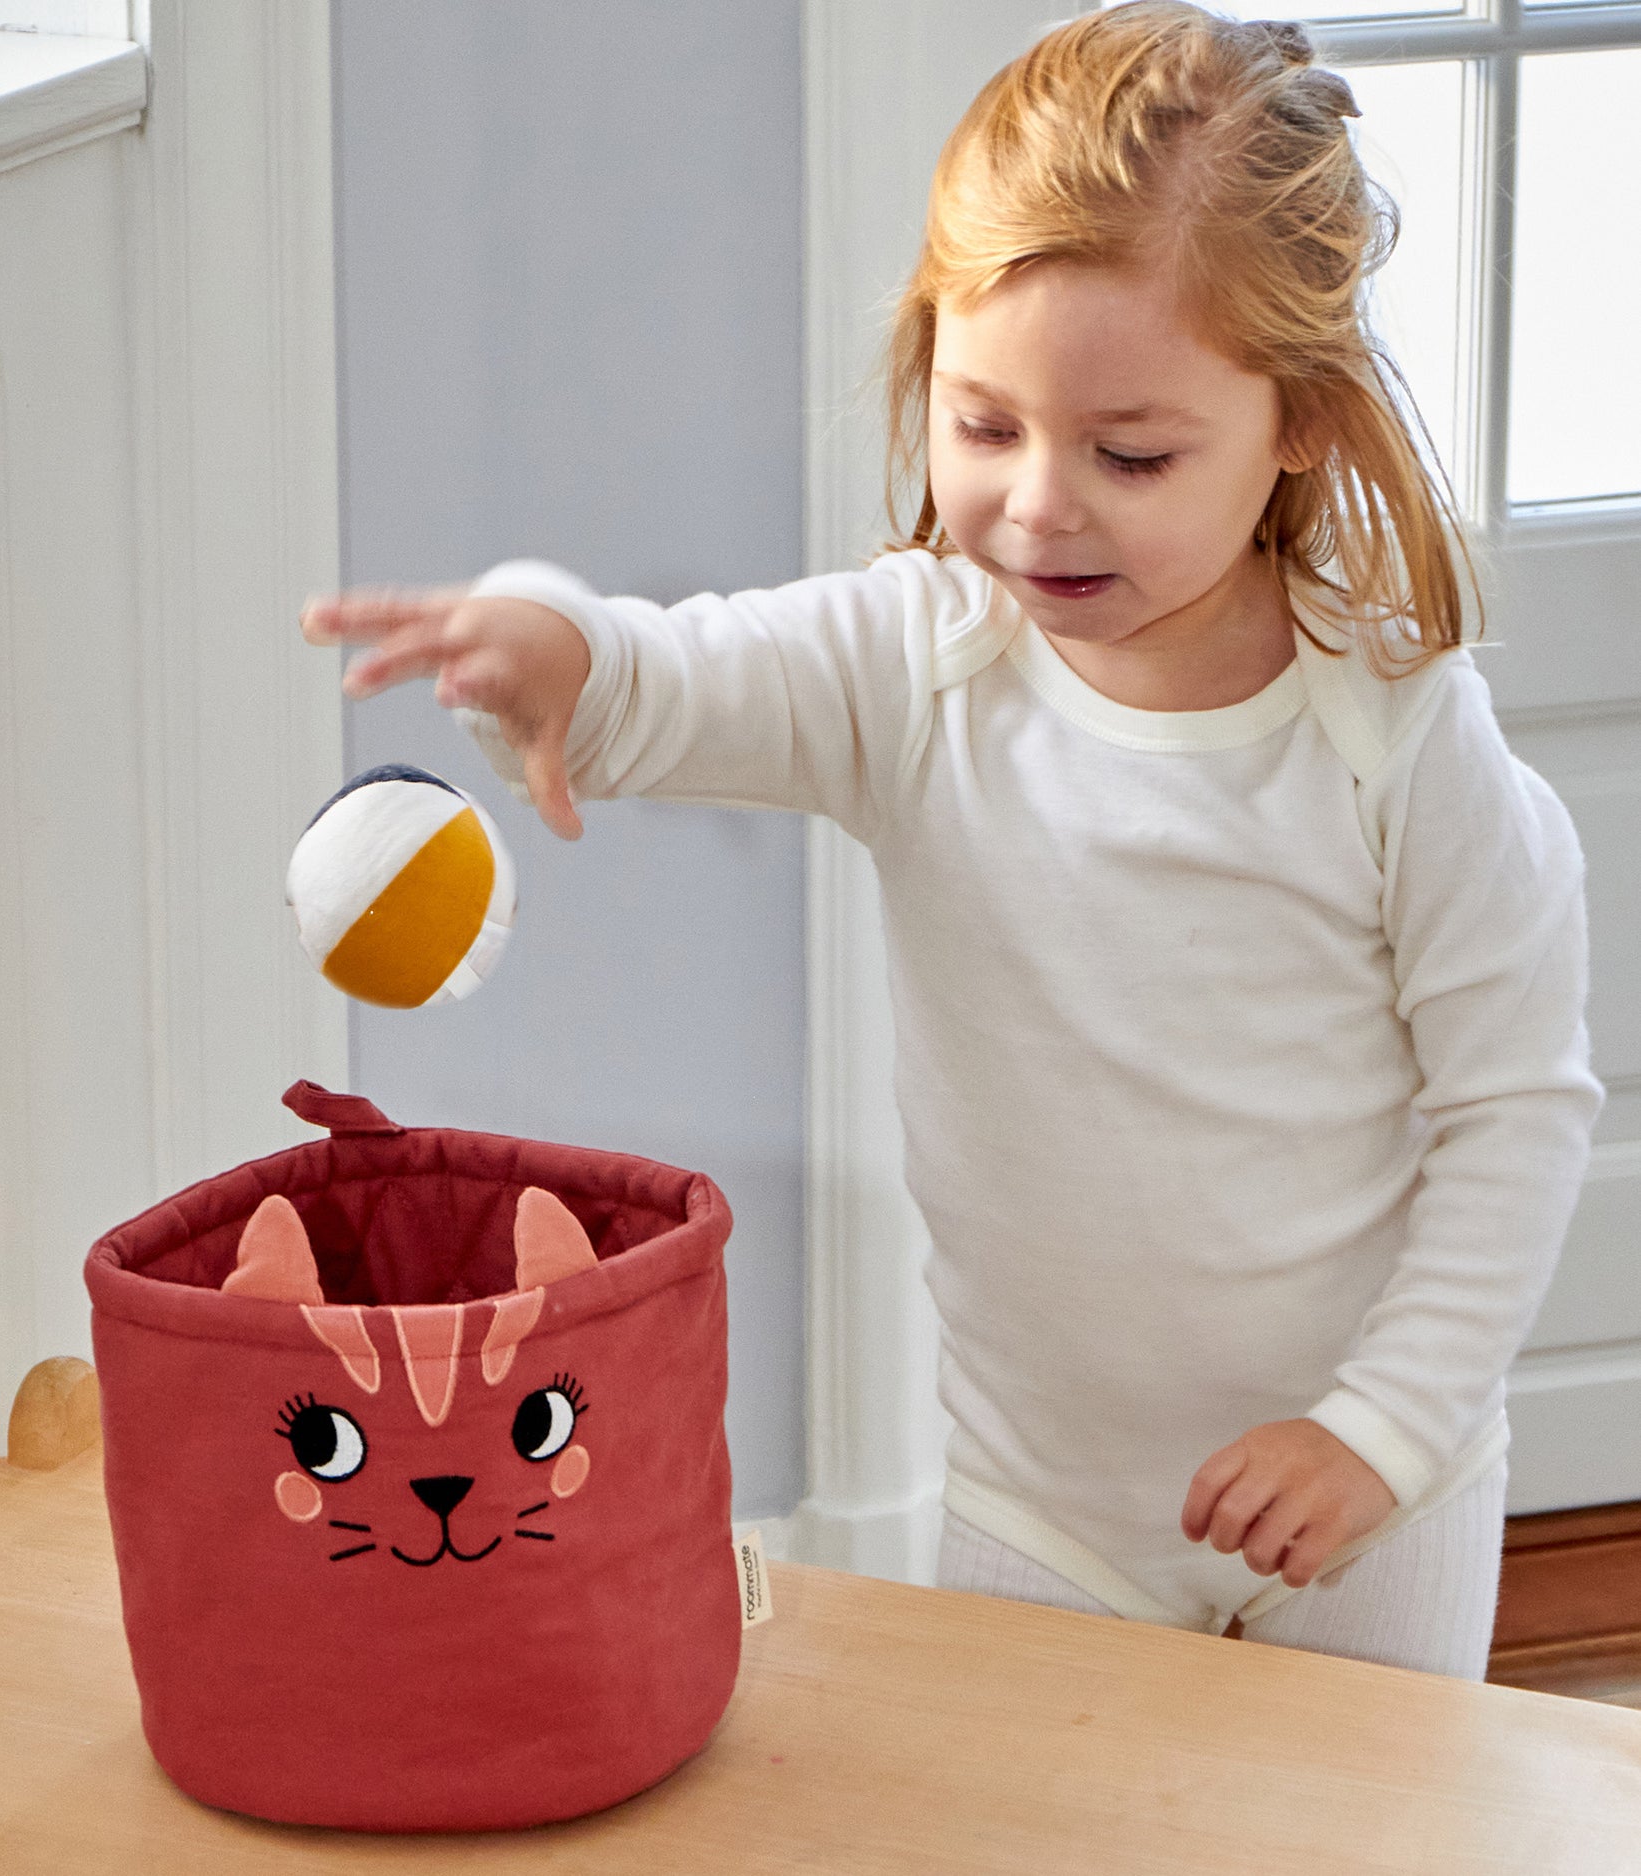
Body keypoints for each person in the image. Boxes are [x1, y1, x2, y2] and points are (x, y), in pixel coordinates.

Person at [301, 2, 1601, 1679]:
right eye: (982, 425)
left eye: (1129, 453)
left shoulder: (1397, 738)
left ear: (1300, 423)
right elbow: (672, 678)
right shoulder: (919, 665)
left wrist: (1385, 1432)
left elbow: (1514, 1108)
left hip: (1366, 1509)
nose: (1039, 503)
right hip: (1038, 1508)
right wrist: (550, 646)